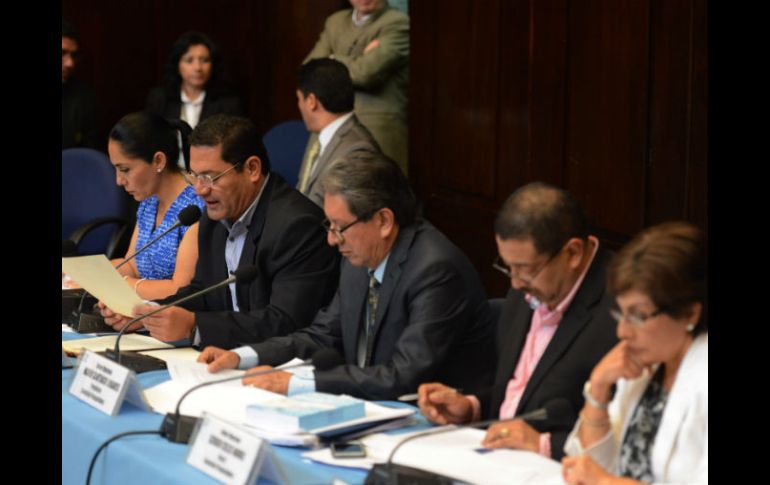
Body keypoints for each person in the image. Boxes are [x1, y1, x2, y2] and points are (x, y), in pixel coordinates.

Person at [197, 152, 496, 400]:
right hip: (372, 409)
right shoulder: (359, 256)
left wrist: (302, 383)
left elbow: (402, 376)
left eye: (339, 227)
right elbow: (322, 334)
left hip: (437, 425)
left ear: (383, 221)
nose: (331, 239)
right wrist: (245, 356)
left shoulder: (435, 271)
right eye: (329, 225)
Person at [101, 114, 339, 349]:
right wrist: (148, 314)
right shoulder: (212, 217)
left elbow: (286, 321)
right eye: (195, 176)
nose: (200, 190)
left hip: (280, 366)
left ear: (252, 169)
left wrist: (195, 326)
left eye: (210, 177)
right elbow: (202, 292)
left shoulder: (297, 226)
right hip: (224, 354)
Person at [417, 182, 618, 460]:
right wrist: (472, 406)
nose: (514, 282)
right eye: (508, 267)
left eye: (525, 269)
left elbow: (627, 436)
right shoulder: (527, 286)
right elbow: (521, 393)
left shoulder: (622, 310)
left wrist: (545, 444)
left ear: (572, 253)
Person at [561, 222, 707, 485]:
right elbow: (590, 467)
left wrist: (605, 482)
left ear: (690, 313)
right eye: (620, 313)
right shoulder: (645, 364)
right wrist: (598, 390)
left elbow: (601, 477)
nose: (622, 331)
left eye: (638, 316)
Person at [106, 112, 205, 300]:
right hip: (141, 312)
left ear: (158, 161)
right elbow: (132, 265)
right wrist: (84, 276)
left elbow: (180, 289)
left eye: (125, 169)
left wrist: (120, 284)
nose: (118, 180)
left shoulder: (196, 207)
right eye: (115, 169)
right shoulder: (148, 200)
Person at [304, 0, 409, 173]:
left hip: (375, 126)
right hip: (329, 120)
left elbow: (365, 73)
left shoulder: (397, 22)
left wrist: (330, 59)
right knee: (314, 190)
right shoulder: (335, 21)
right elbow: (310, 69)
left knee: (372, 194)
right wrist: (358, 58)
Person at [145, 31, 244, 168]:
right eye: (189, 60)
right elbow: (150, 142)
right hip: (168, 172)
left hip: (210, 175)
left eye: (204, 60)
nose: (198, 68)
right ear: (177, 64)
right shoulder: (160, 99)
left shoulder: (228, 103)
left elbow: (234, 149)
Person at [295, 58, 380, 207]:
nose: (299, 105)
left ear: (311, 101)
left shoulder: (358, 150)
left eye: (299, 99)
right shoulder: (317, 138)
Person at [62, 19, 98, 149]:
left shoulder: (83, 98)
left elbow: (87, 155)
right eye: (62, 53)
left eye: (73, 55)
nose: (70, 63)